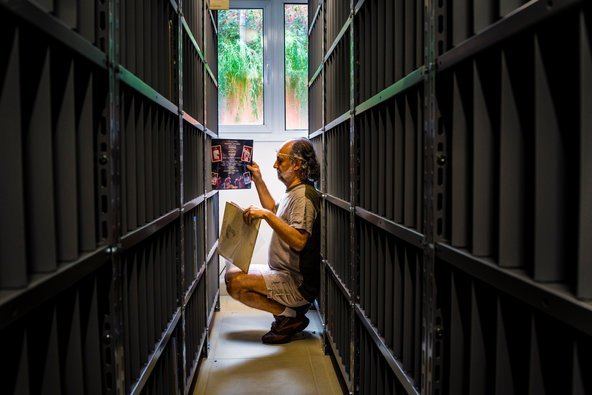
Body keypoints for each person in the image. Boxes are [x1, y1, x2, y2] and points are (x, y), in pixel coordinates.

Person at [224, 138, 321, 344]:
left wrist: (266, 215)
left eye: (280, 160)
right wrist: (258, 179)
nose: (275, 165)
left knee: (235, 283)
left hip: (296, 284)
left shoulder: (303, 196)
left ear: (296, 164)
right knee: (232, 272)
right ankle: (287, 316)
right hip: (282, 273)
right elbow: (275, 210)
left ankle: (290, 317)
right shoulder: (294, 192)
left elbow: (299, 241)